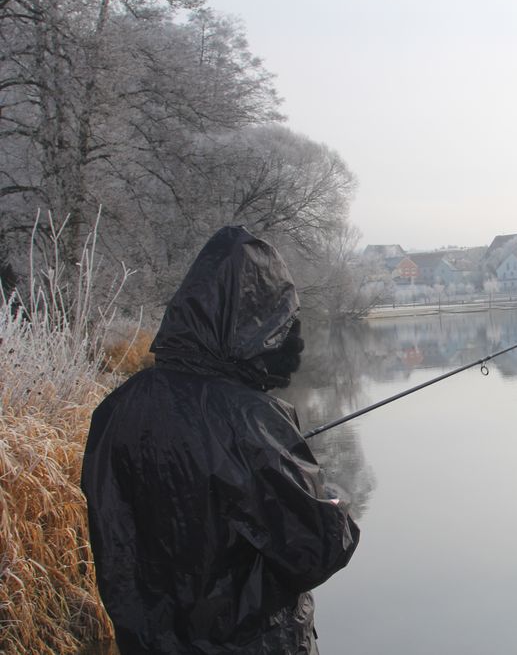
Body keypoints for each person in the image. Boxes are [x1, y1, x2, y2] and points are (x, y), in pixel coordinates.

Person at [81, 226, 359, 654]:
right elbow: (316, 550)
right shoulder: (251, 421)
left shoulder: (115, 411)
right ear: (257, 323)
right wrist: (333, 500)